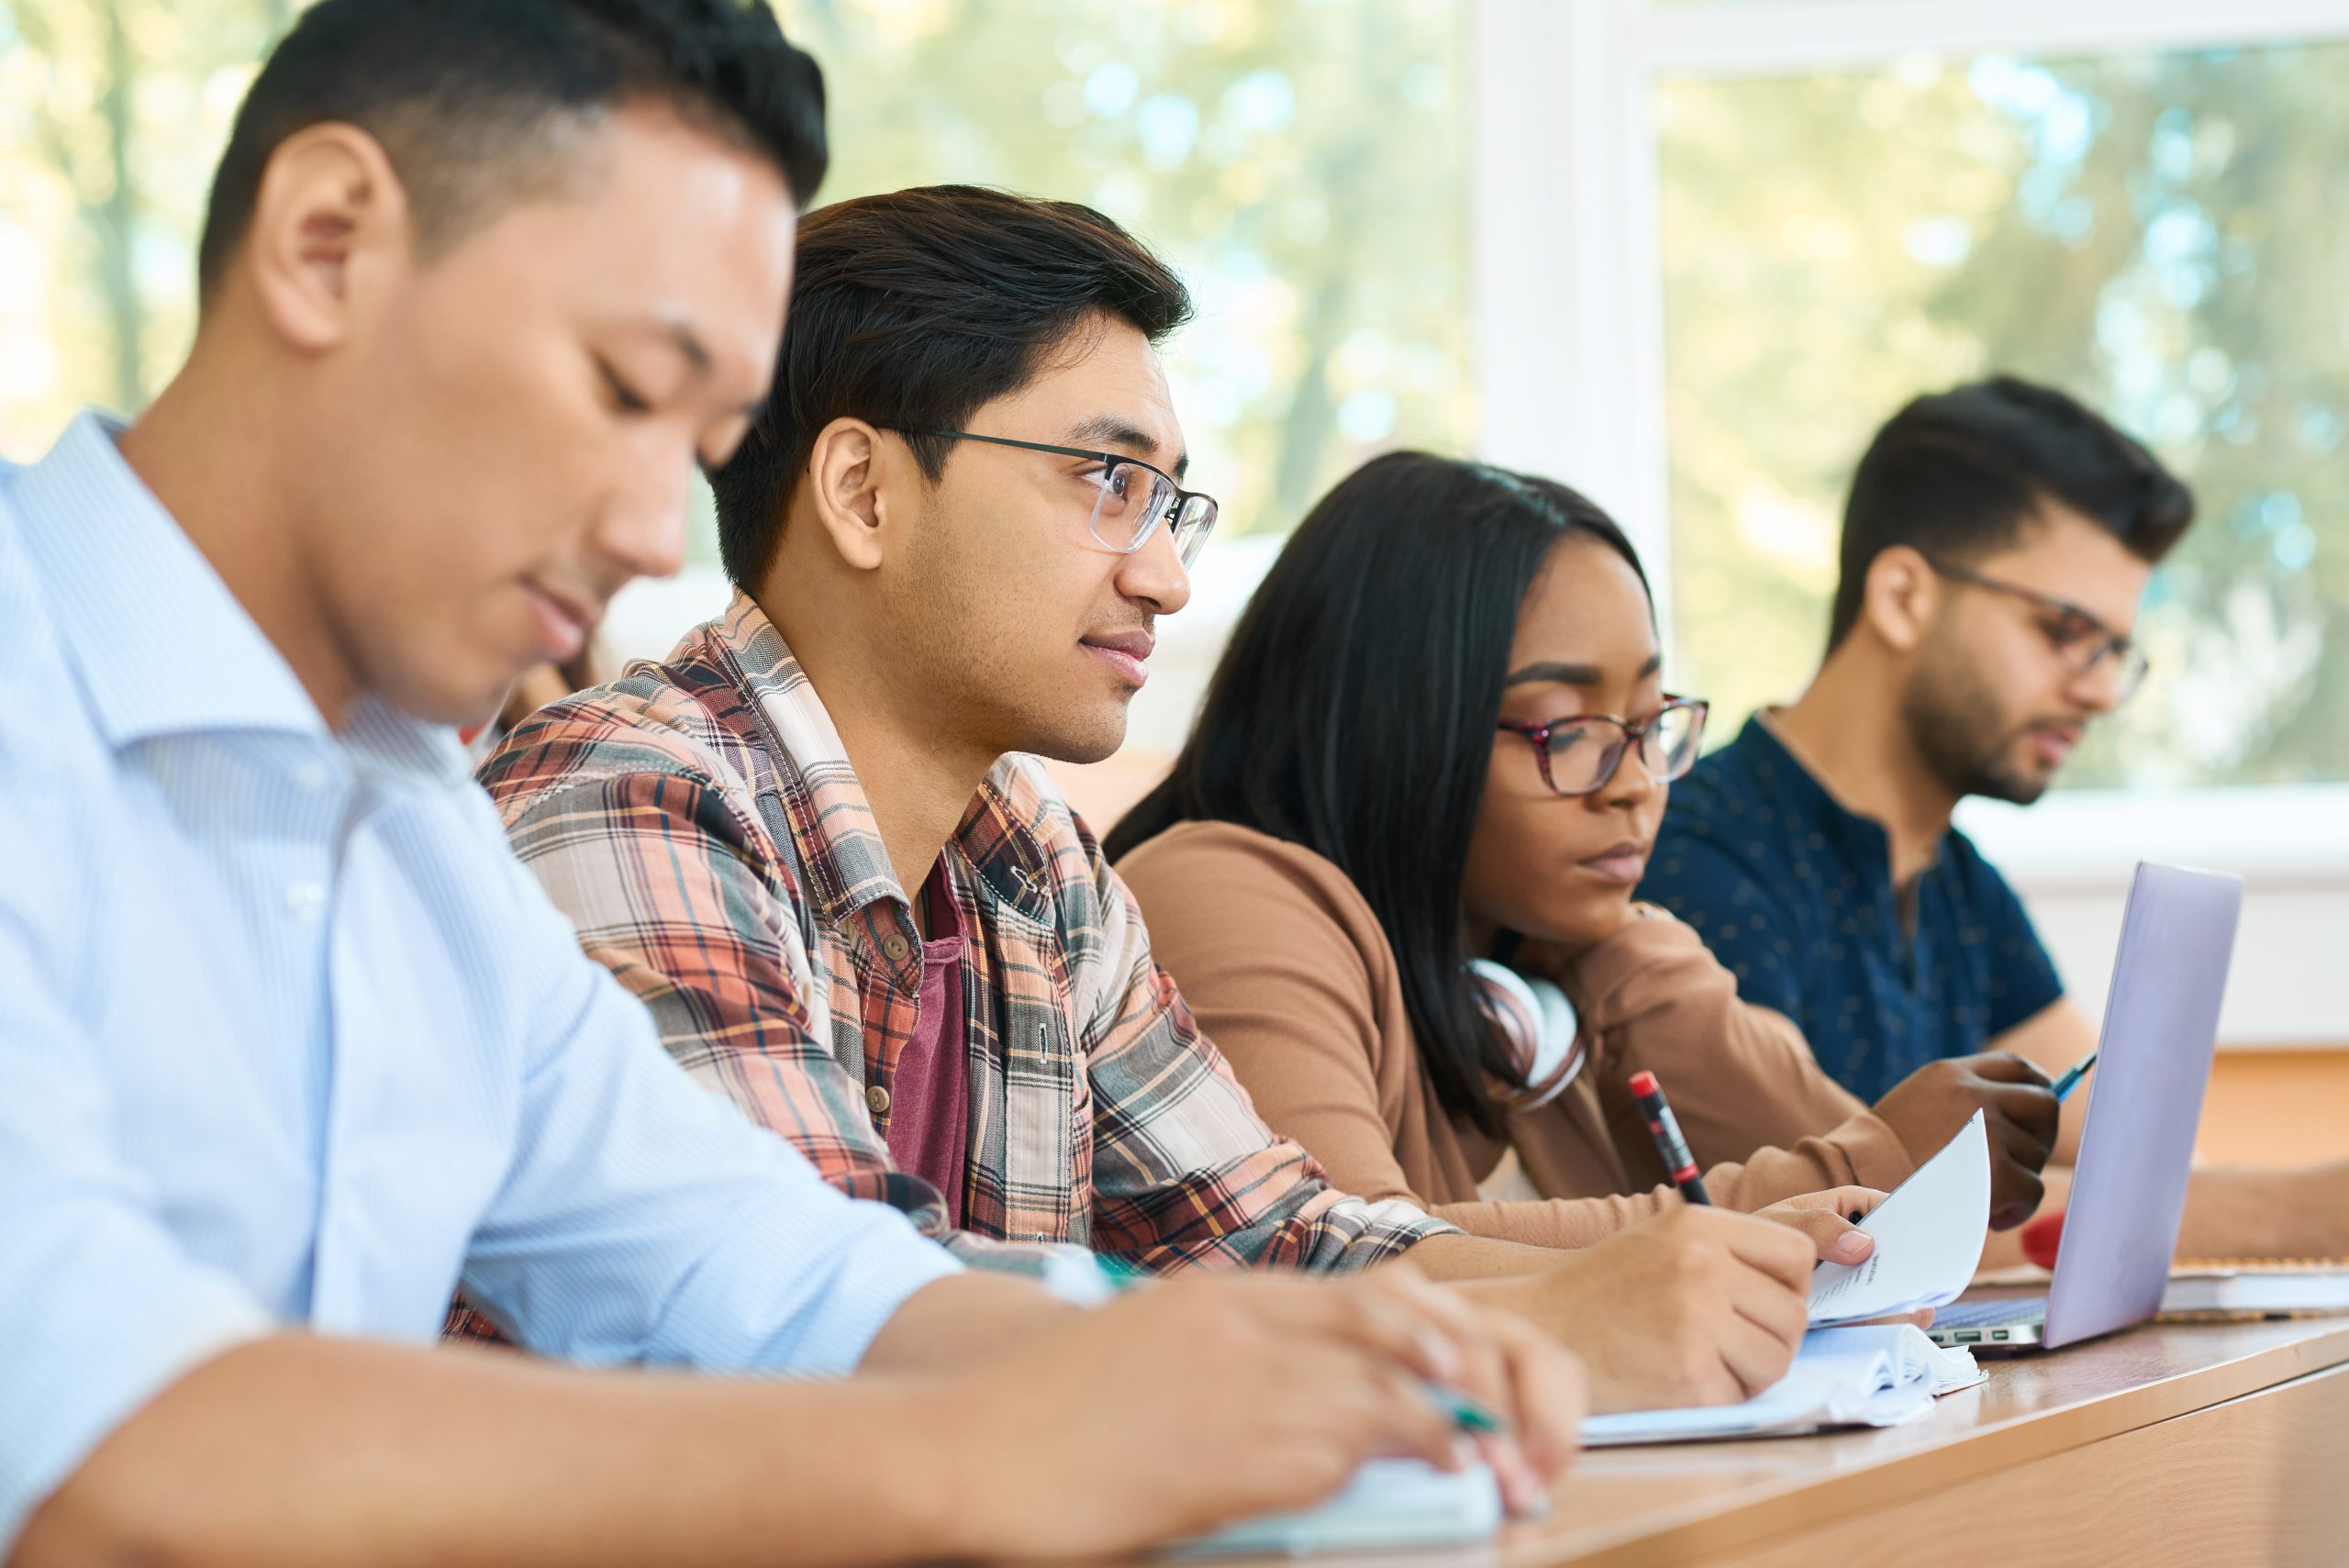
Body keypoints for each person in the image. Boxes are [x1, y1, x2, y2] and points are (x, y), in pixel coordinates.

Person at [0, 5, 1586, 1563]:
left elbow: (766, 1270)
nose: (646, 527)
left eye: (695, 440)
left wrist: (1251, 1364)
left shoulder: (410, 818)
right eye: (628, 388)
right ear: (328, 239)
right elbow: (92, 1439)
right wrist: (993, 1443)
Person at [473, 183, 1870, 1417]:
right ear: (862, 491)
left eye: (1169, 504)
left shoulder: (1034, 868)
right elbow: (817, 1319)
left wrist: (1663, 1284)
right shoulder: (635, 798)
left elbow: (1275, 1232)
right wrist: (1537, 1330)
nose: (1166, 576)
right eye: (1107, 483)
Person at [1107, 452, 2060, 1257]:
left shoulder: (1550, 945)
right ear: (1391, 729)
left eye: (1649, 723)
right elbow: (1349, 1255)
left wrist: (1632, 967)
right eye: (1568, 728)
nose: (1635, 780)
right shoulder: (1219, 888)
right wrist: (1862, 1167)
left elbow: (1886, 1195)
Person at [1638, 375, 2349, 1258]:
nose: (2098, 689)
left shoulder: (1961, 883)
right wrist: (2315, 1211)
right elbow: (1861, 1228)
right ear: (1902, 596)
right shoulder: (1693, 862)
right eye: (2064, 630)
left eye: (2116, 652)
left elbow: (2148, 1168)